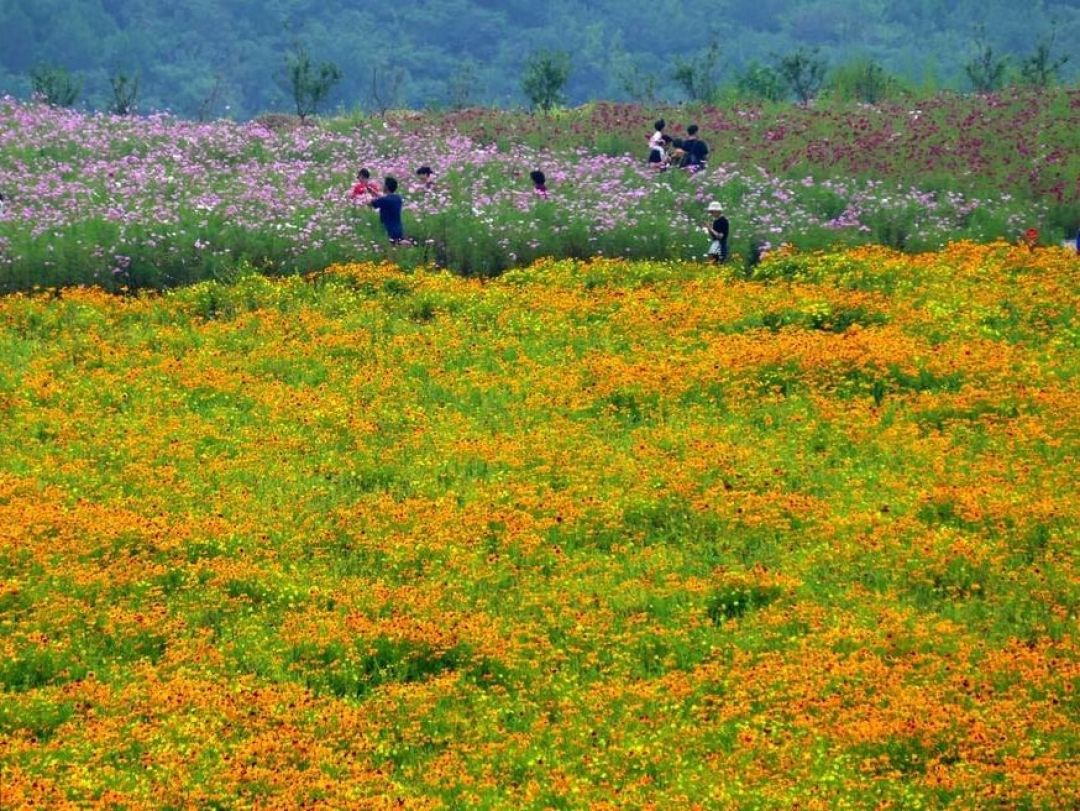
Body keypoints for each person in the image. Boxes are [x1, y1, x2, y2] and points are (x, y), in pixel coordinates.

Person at [370, 176, 408, 244]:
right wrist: (375, 193)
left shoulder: (384, 200)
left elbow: (372, 204)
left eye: (383, 184)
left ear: (386, 187)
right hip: (399, 229)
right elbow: (385, 199)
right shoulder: (398, 198)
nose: (382, 186)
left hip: (388, 230)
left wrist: (369, 197)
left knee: (391, 249)